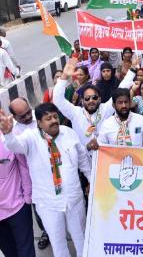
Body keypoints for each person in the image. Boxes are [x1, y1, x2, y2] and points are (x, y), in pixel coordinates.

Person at [0, 103, 91, 257]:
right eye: (48, 118)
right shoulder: (31, 138)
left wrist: (91, 181)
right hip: (48, 204)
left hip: (73, 199)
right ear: (39, 123)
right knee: (58, 244)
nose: (53, 121)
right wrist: (8, 134)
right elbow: (14, 146)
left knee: (81, 238)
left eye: (55, 117)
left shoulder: (69, 133)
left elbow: (83, 160)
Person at [53, 57, 136, 153]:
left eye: (94, 97)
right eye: (87, 98)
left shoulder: (105, 109)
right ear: (83, 101)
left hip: (105, 158)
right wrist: (64, 76)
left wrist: (133, 69)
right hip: (85, 160)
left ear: (100, 99)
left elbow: (120, 89)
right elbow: (58, 100)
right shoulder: (76, 113)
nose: (91, 100)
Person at [8, 98, 50, 249]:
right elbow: (19, 163)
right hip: (32, 178)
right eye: (22, 116)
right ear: (13, 117)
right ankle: (46, 232)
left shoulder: (41, 117)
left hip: (52, 170)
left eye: (28, 112)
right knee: (38, 208)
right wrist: (27, 190)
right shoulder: (12, 132)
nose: (27, 117)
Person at [0, 129, 36, 257]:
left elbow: (24, 167)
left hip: (18, 207)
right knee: (10, 253)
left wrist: (27, 196)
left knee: (26, 251)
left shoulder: (10, 138)